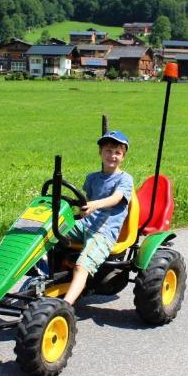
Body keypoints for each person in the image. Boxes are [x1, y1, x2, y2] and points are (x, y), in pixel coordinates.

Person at [62, 130, 134, 306]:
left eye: (117, 152)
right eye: (108, 151)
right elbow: (85, 201)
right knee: (51, 232)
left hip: (104, 232)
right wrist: (80, 208)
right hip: (85, 225)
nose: (112, 156)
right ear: (100, 152)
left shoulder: (125, 179)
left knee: (82, 266)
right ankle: (44, 276)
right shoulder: (92, 178)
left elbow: (116, 198)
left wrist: (94, 205)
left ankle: (64, 306)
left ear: (123, 156)